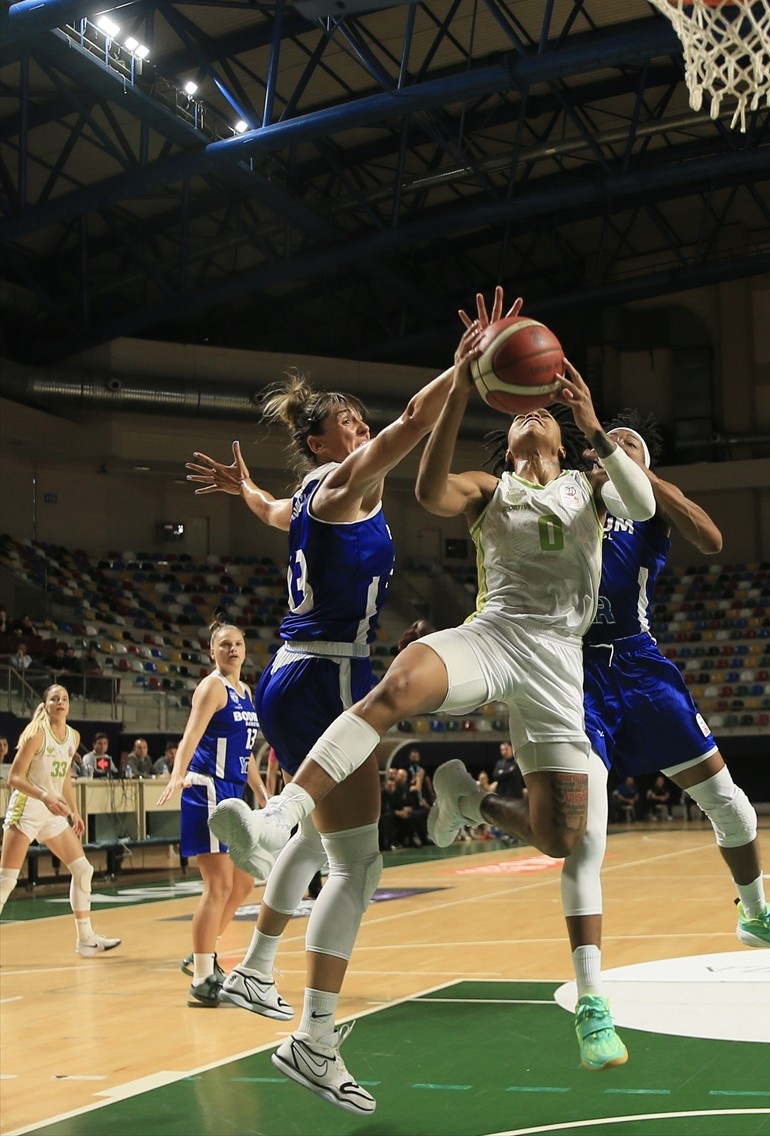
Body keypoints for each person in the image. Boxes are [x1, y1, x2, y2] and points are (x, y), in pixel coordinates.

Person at [208, 308, 656, 1097]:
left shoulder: (592, 487)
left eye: (542, 417)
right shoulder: (485, 488)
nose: (531, 419)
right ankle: (275, 829)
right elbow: (425, 474)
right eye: (523, 416)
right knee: (398, 687)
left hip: (554, 665)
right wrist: (462, 383)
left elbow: (643, 507)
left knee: (561, 836)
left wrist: (586, 424)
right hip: (478, 639)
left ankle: (463, 802)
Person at [192, 290, 517, 1115]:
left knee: (328, 838)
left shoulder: (306, 493)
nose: (360, 426)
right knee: (357, 863)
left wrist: (243, 492)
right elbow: (411, 425)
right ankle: (313, 1036)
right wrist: (465, 366)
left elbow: (271, 510)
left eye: (357, 420)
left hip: (296, 674)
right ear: (319, 439)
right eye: (347, 421)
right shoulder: (340, 483)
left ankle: (259, 970)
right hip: (329, 675)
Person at [566, 409, 770, 1066]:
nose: (611, 450)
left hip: (640, 666)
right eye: (606, 444)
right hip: (574, 671)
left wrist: (646, 476)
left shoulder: (647, 513)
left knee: (728, 802)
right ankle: (594, 1001)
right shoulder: (564, 501)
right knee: (580, 835)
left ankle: (756, 912)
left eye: (628, 445)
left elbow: (709, 537)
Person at [158, 621, 267, 1007]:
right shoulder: (212, 687)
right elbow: (190, 735)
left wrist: (261, 791)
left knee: (242, 886)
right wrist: (176, 775)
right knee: (218, 885)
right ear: (212, 651)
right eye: (225, 644)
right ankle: (202, 978)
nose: (233, 649)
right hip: (205, 790)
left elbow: (246, 753)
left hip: (233, 794)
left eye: (238, 643)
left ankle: (202, 955)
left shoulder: (244, 691)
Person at [0, 683, 121, 956]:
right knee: (6, 880)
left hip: (52, 811)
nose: (60, 702)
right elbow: (14, 778)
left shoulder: (73, 737)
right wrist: (45, 797)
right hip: (28, 808)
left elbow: (64, 775)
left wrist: (74, 810)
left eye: (65, 698)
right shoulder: (36, 735)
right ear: (46, 704)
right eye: (55, 698)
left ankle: (86, 940)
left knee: (83, 869)